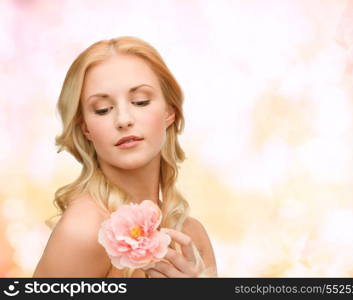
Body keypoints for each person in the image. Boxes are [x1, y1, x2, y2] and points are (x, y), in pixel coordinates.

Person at [33, 36, 217, 278]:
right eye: (102, 109)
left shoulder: (191, 237)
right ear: (86, 128)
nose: (123, 120)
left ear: (170, 111)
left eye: (140, 101)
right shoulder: (84, 229)